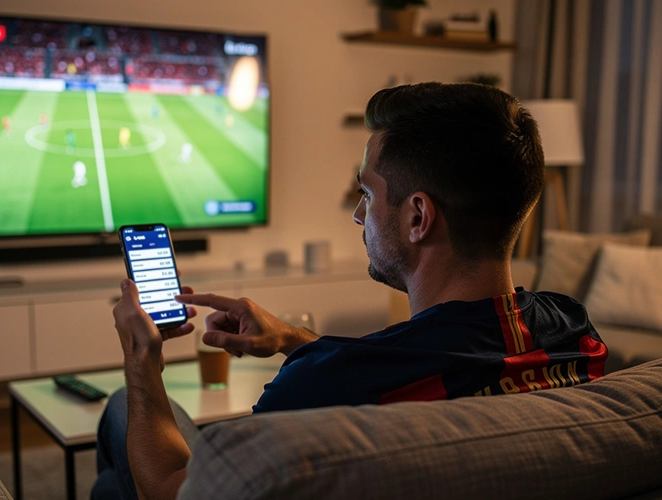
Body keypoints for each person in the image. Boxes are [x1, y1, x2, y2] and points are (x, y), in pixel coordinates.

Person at [93, 82, 607, 499]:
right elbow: (426, 360)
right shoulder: (572, 332)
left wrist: (143, 363)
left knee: (123, 411)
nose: (359, 215)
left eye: (367, 193)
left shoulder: (324, 389)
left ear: (417, 217)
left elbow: (170, 491)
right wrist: (295, 339)